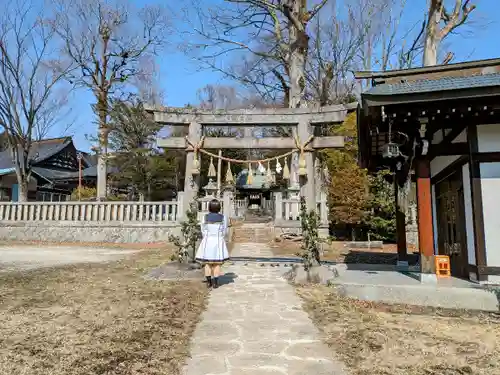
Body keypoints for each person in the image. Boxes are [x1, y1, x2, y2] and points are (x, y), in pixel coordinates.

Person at [195, 199, 230, 289]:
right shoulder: (223, 217)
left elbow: (203, 229)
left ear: (209, 207)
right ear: (219, 207)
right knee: (217, 263)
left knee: (207, 263)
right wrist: (220, 236)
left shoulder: (205, 217)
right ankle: (215, 282)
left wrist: (206, 236)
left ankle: (208, 282)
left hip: (207, 240)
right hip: (218, 240)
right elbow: (225, 230)